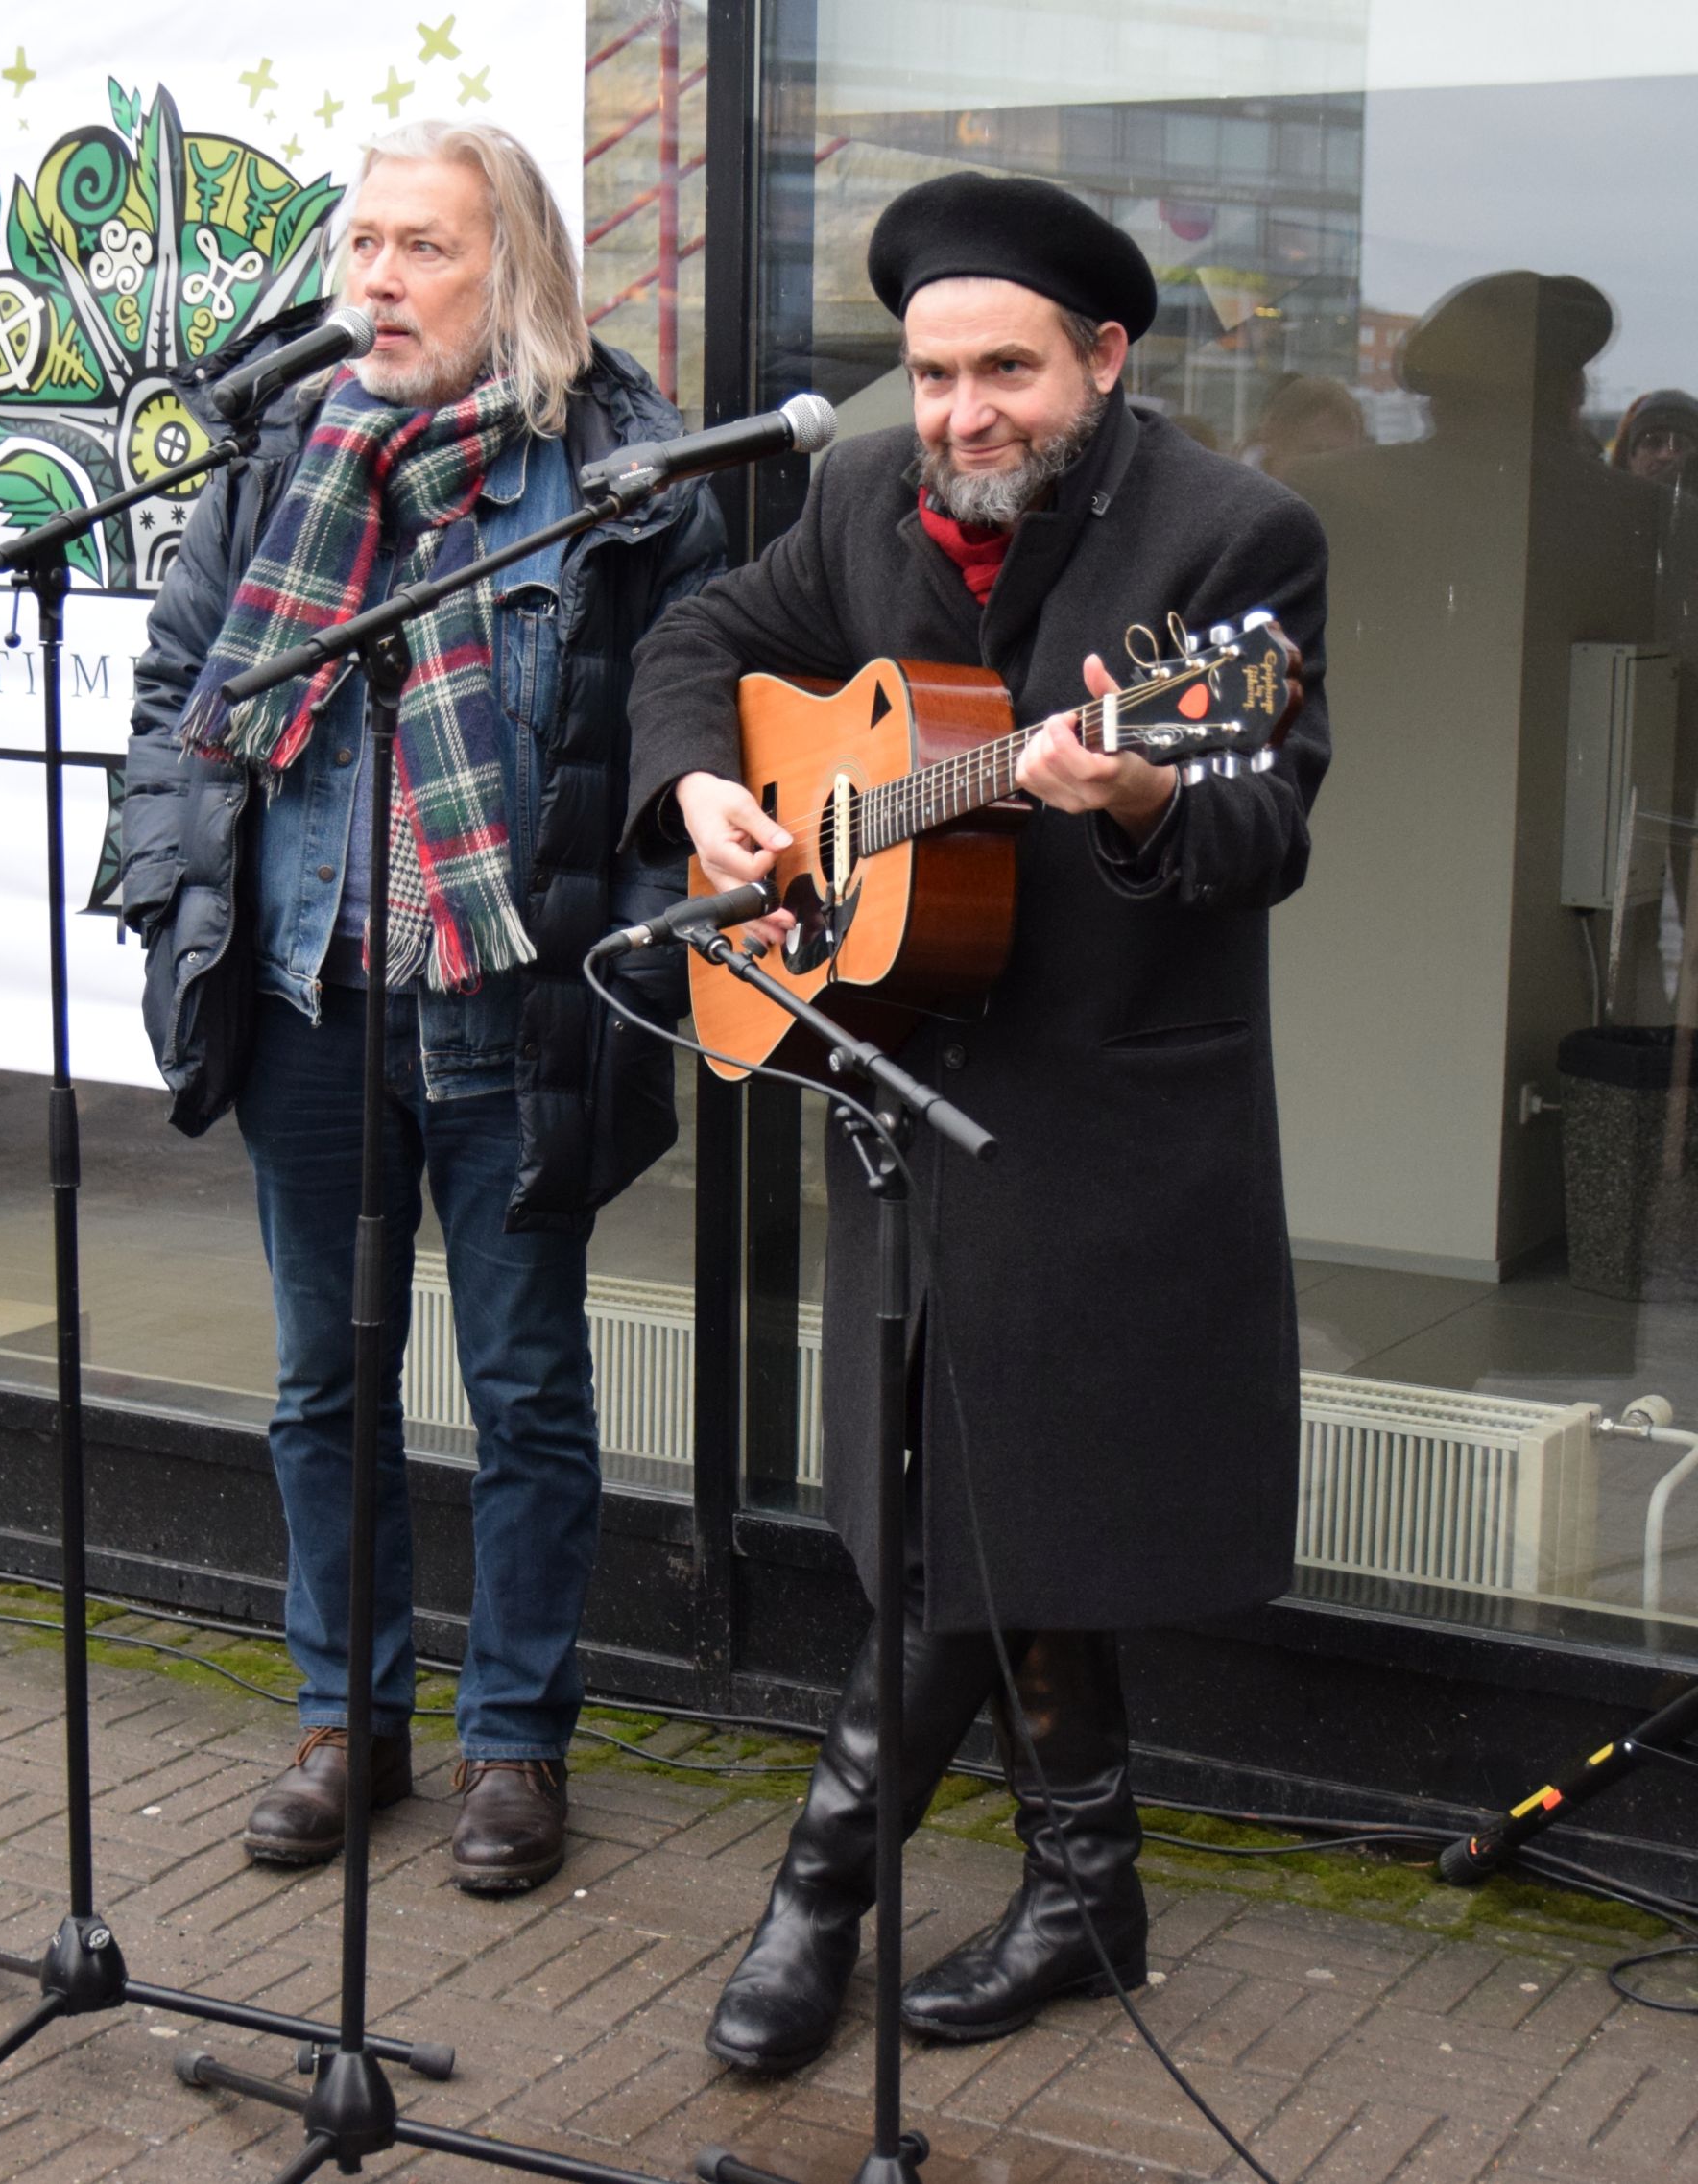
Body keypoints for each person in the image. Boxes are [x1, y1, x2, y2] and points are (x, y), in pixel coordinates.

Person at [624, 170, 1329, 2068]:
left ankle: (819, 1891)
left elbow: (1265, 823)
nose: (961, 413)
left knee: (968, 1514)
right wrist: (706, 791)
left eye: (1003, 369)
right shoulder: (861, 493)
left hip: (1101, 1134)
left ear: (1102, 360)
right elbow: (699, 641)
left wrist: (1132, 798)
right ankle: (1086, 1890)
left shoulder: (1233, 537)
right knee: (983, 1513)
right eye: (932, 373)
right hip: (906, 1089)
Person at [120, 120, 722, 1890]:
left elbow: (664, 748)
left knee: (527, 1388)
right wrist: (177, 896)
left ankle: (516, 1746)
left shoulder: (622, 480)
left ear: (512, 272)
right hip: (312, 993)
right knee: (326, 1381)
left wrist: (636, 966)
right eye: (364, 243)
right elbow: (178, 695)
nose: (378, 278)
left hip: (508, 1007)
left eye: (424, 248)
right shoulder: (283, 460)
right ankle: (346, 1726)